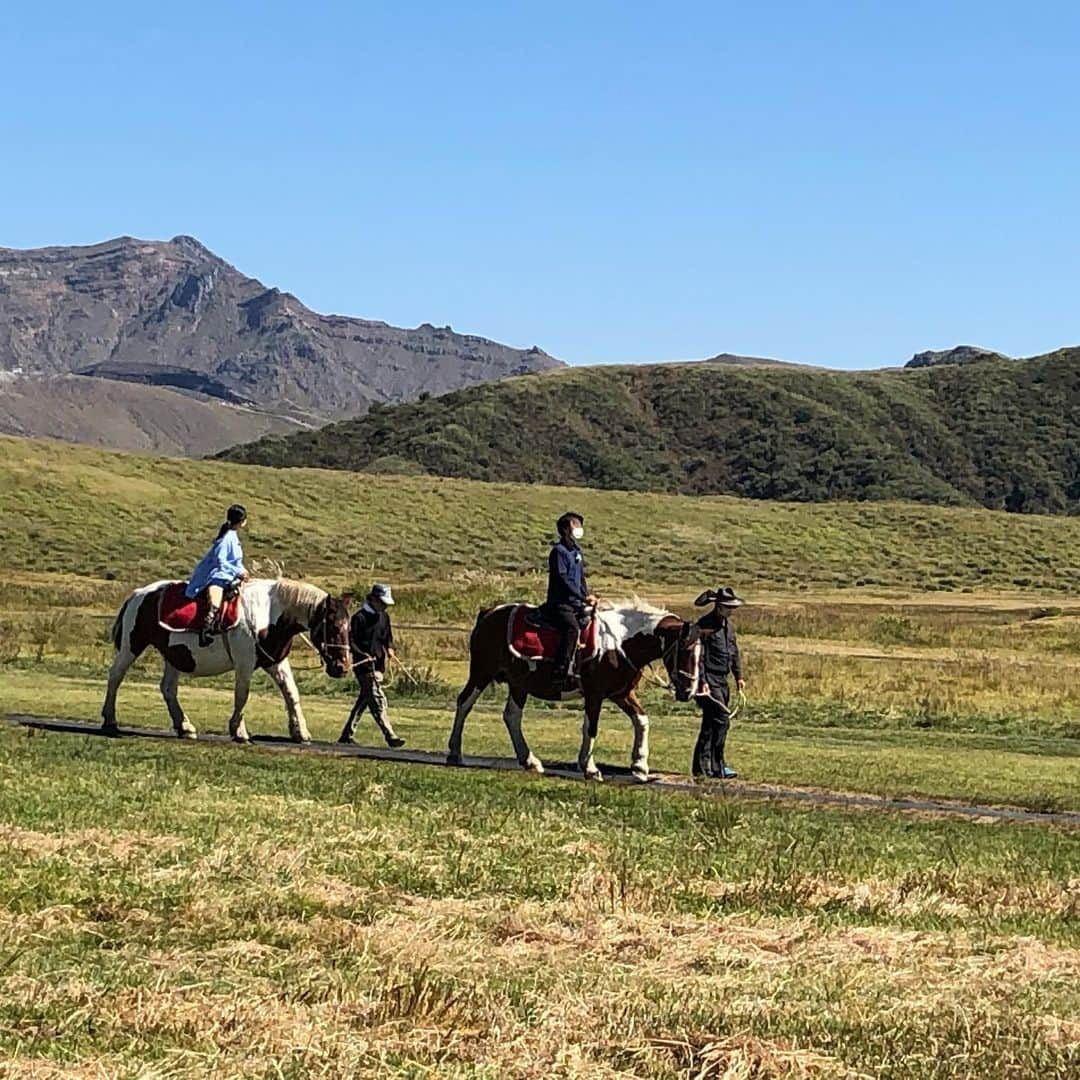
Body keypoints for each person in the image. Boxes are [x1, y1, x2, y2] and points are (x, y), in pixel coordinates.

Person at [339, 583, 405, 748]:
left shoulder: (384, 617)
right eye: (382, 603)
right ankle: (390, 735)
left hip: (379, 665)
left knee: (364, 700)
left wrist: (389, 648)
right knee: (376, 699)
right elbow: (351, 641)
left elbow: (387, 637)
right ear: (373, 599)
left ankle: (347, 733)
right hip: (364, 667)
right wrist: (362, 655)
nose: (384, 607)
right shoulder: (359, 618)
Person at [691, 586, 746, 779]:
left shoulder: (728, 627)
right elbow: (699, 657)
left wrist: (738, 676)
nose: (731, 611)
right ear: (719, 607)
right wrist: (702, 681)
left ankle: (702, 767)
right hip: (709, 681)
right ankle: (717, 765)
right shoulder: (704, 625)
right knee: (722, 719)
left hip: (723, 680)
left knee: (710, 723)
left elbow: (734, 652)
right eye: (728, 607)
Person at [543, 511, 597, 688]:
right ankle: (560, 672)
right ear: (565, 529)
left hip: (576, 603)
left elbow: (580, 578)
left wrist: (586, 596)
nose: (579, 529)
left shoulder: (576, 551)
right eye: (576, 525)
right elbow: (563, 578)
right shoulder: (558, 552)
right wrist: (582, 596)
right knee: (572, 629)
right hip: (560, 604)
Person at [185, 504, 250, 647]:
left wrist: (242, 570)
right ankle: (205, 629)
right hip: (217, 575)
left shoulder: (232, 536)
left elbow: (235, 561)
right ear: (242, 521)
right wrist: (238, 571)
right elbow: (220, 561)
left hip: (229, 574)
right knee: (215, 601)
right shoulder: (226, 539)